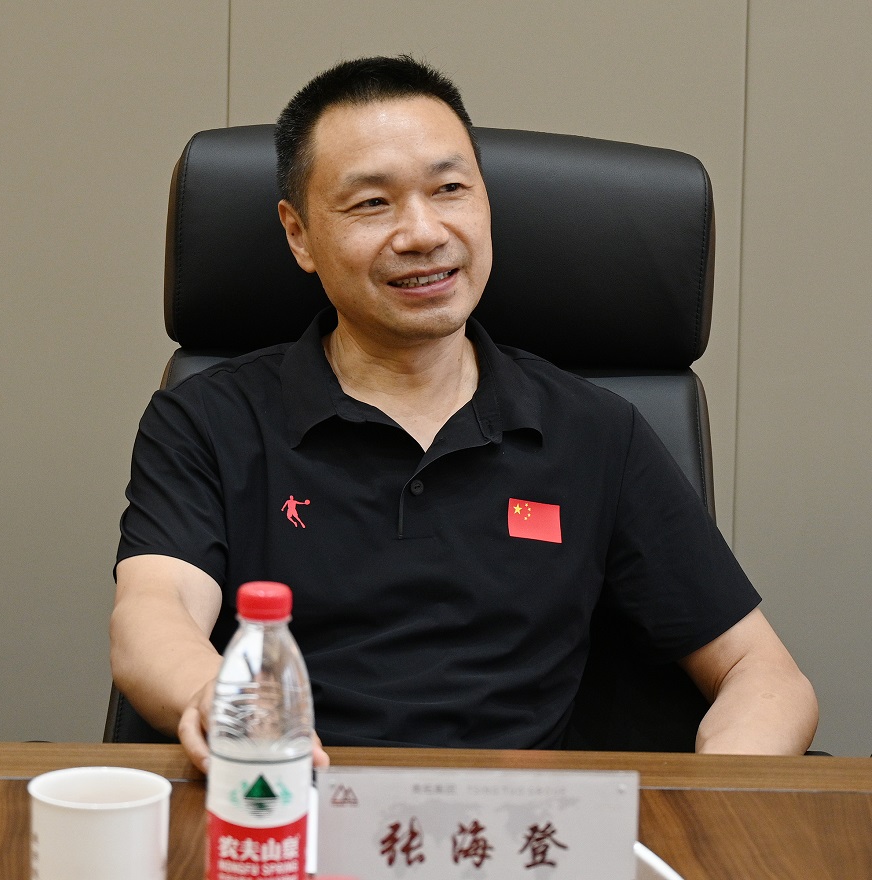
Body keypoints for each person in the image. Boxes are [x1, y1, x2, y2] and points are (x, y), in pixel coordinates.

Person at [110, 55, 818, 773]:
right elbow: (155, 611)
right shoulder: (207, 419)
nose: (423, 233)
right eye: (372, 203)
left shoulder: (596, 432)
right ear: (299, 235)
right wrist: (222, 703)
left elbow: (763, 673)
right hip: (286, 795)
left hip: (516, 821)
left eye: (450, 190)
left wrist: (717, 798)